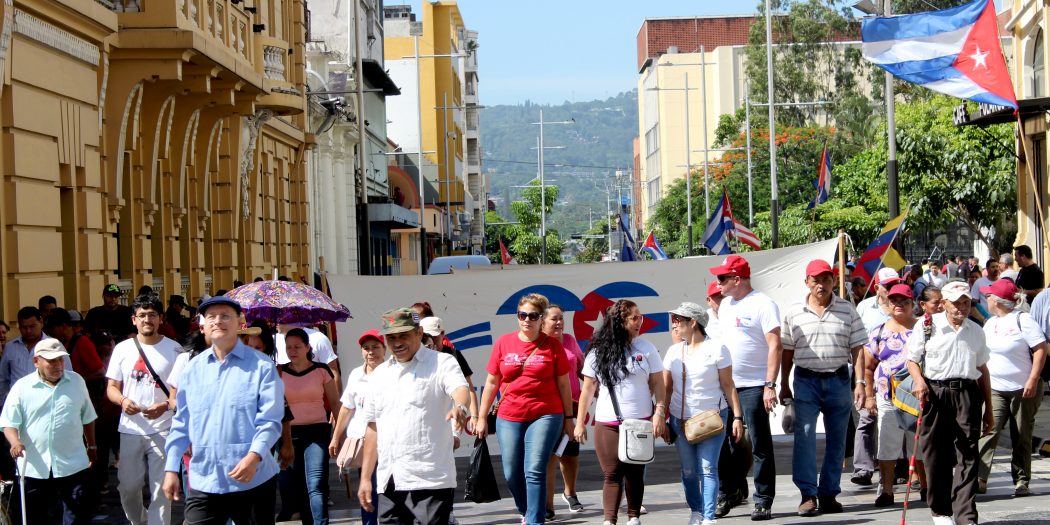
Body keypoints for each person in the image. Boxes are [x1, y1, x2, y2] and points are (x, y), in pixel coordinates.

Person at [161, 296, 285, 524]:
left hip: (251, 477)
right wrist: (171, 468)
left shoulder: (262, 366)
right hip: (205, 478)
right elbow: (181, 422)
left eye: (225, 316)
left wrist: (254, 456)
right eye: (211, 317)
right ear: (203, 325)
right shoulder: (192, 369)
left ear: (240, 323)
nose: (218, 321)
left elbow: (270, 420)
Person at [356, 308, 470, 525]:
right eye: (391, 337)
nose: (397, 343)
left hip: (429, 479)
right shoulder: (380, 374)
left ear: (419, 333)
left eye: (404, 335)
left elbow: (460, 389)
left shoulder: (442, 363)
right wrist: (365, 478)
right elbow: (372, 428)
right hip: (390, 481)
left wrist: (460, 407)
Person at [780, 259, 867, 516]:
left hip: (839, 380)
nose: (822, 285)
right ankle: (808, 495)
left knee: (838, 440)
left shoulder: (847, 309)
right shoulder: (794, 312)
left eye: (826, 279)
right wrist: (783, 384)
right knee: (805, 437)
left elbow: (858, 348)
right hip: (806, 381)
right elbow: (787, 351)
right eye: (816, 280)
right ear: (807, 282)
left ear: (833, 282)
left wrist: (860, 383)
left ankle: (829, 493)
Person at [476, 294, 572, 524]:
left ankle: (535, 520)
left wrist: (569, 418)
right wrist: (481, 417)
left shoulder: (552, 346)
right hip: (509, 415)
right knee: (511, 471)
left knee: (535, 469)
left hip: (545, 413)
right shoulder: (503, 343)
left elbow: (563, 384)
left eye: (533, 316)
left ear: (542, 318)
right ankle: (527, 510)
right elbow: (492, 382)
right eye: (522, 315)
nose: (527, 320)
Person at [905, 280, 993, 525]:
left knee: (969, 454)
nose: (961, 307)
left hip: (967, 392)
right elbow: (912, 360)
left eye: (965, 302)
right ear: (944, 303)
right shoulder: (927, 325)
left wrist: (989, 409)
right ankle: (941, 512)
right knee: (936, 454)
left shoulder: (976, 330)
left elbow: (982, 370)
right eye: (956, 303)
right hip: (936, 392)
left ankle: (966, 515)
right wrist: (919, 381)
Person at [573, 299, 666, 525]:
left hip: (640, 422)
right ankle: (609, 521)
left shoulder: (647, 348)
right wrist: (580, 422)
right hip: (608, 423)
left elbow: (658, 383)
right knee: (612, 474)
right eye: (635, 318)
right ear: (621, 321)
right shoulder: (597, 352)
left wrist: (660, 412)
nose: (640, 321)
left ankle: (634, 518)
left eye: (640, 317)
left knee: (635, 474)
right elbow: (587, 390)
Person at [708, 255, 781, 521]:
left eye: (722, 278)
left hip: (754, 385)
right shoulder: (726, 305)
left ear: (737, 279)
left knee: (759, 444)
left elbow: (775, 345)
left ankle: (763, 500)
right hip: (726, 386)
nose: (718, 283)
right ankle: (728, 493)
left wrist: (769, 385)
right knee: (721, 442)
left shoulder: (763, 304)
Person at [662, 302, 744, 525]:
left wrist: (737, 417)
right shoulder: (673, 352)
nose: (674, 324)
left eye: (678, 319)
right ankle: (696, 511)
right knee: (689, 471)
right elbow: (666, 389)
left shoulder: (717, 348)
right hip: (680, 420)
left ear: (693, 322)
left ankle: (708, 517)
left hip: (712, 419)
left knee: (707, 468)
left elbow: (728, 385)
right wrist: (661, 416)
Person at [0, 338, 97, 524]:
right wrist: (15, 442)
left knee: (76, 518)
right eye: (51, 361)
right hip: (35, 468)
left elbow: (88, 417)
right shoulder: (22, 387)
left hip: (73, 465)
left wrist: (92, 446)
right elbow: (8, 423)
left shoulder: (77, 381)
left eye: (60, 359)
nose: (58, 365)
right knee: (37, 518)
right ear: (36, 361)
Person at [105, 295, 180, 525]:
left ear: (161, 319)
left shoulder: (175, 349)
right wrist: (123, 401)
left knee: (161, 490)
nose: (147, 319)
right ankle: (140, 521)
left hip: (164, 428)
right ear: (134, 319)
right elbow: (111, 388)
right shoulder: (122, 349)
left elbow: (183, 393)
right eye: (142, 315)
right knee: (128, 487)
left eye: (152, 315)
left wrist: (165, 405)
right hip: (131, 429)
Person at [976, 279, 1046, 496]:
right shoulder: (990, 323)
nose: (986, 299)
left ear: (997, 301)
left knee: (1022, 434)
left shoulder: (1023, 320)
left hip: (1023, 388)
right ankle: (980, 478)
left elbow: (1041, 349)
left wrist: (1033, 379)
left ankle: (1021, 480)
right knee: (988, 430)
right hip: (995, 387)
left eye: (988, 296)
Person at [861, 284, 926, 507]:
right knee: (887, 444)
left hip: (917, 396)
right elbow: (868, 366)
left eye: (904, 301)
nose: (899, 305)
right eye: (894, 301)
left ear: (912, 304)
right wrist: (869, 396)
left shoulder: (923, 329)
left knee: (920, 444)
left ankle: (926, 486)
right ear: (888, 304)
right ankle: (886, 489)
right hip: (888, 396)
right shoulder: (878, 332)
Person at [277, 328, 340, 525]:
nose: (292, 351)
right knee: (295, 486)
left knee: (316, 483)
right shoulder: (279, 372)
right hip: (288, 435)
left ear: (307, 347)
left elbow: (335, 403)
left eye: (297, 347)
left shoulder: (321, 370)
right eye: (288, 347)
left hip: (317, 431)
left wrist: (340, 434)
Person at [330, 330, 387, 525]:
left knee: (387, 490)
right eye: (366, 348)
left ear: (384, 349)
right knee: (368, 488)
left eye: (375, 347)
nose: (371, 352)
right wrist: (336, 437)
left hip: (389, 442)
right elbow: (347, 407)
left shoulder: (393, 372)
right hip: (364, 442)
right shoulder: (356, 374)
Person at [542, 304, 587, 516]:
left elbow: (581, 368)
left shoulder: (569, 340)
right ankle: (547, 506)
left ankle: (570, 493)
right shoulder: (539, 344)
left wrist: (594, 389)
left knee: (570, 454)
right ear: (542, 322)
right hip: (549, 408)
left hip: (572, 407)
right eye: (554, 319)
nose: (559, 322)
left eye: (561, 318)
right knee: (550, 457)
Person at [420, 316, 479, 423]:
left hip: (449, 417)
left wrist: (474, 417)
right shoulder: (415, 358)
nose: (431, 341)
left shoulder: (454, 355)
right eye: (425, 337)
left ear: (442, 333)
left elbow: (469, 388)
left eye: (434, 336)